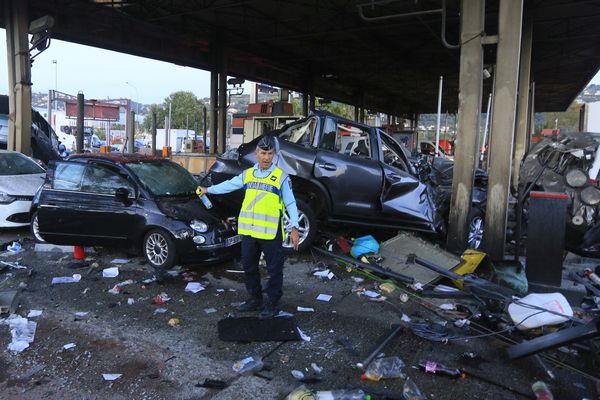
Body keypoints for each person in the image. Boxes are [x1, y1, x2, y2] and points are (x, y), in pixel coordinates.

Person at [198, 135, 300, 319]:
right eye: (263, 153)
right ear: (256, 154)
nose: (266, 157)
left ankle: (272, 304)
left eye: (270, 153)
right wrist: (208, 190)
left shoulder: (281, 177)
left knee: (274, 270)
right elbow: (228, 186)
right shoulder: (248, 174)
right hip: (249, 232)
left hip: (270, 233)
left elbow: (291, 203)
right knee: (249, 267)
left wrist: (295, 227)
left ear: (274, 154)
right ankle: (255, 299)